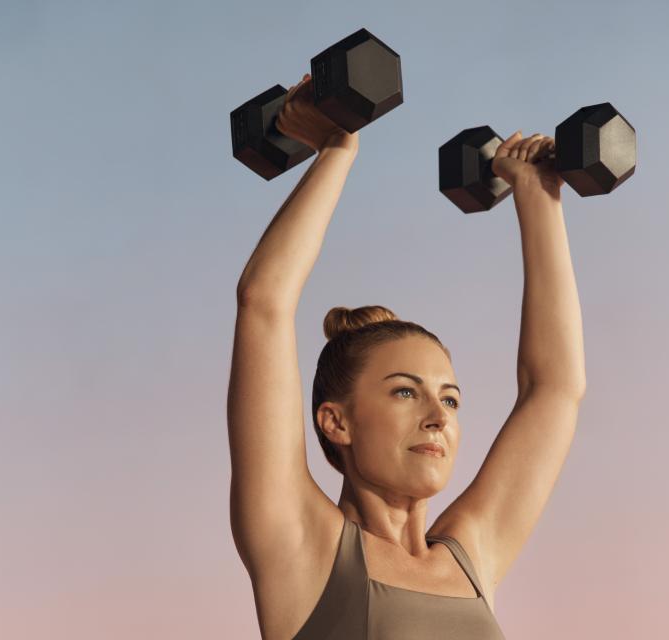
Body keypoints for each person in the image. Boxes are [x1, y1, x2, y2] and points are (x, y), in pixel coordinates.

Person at [227, 73, 587, 639]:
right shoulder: (298, 543)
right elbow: (264, 303)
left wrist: (538, 192)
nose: (438, 415)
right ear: (335, 420)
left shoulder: (472, 556)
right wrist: (337, 150)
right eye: (404, 390)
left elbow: (555, 389)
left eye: (450, 398)